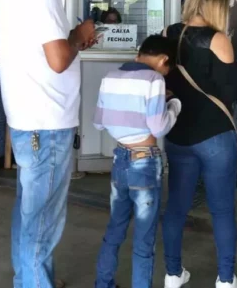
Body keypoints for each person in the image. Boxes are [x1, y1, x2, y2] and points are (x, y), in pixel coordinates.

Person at [0, 0, 96, 288]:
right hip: (47, 125)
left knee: (30, 217)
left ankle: (30, 280)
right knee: (42, 225)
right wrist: (79, 36)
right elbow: (57, 59)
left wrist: (71, 39)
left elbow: (43, 51)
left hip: (28, 121)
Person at [163, 0, 237, 288]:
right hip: (215, 135)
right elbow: (231, 92)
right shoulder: (218, 39)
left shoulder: (167, 34)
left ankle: (173, 274)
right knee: (221, 210)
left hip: (178, 132)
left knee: (176, 207)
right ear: (218, 7)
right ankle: (225, 279)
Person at [93, 35, 182, 288]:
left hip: (120, 159)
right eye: (167, 68)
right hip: (145, 162)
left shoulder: (110, 77)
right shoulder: (154, 80)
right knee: (144, 239)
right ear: (163, 60)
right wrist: (173, 105)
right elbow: (159, 127)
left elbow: (99, 122)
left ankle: (103, 283)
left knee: (115, 229)